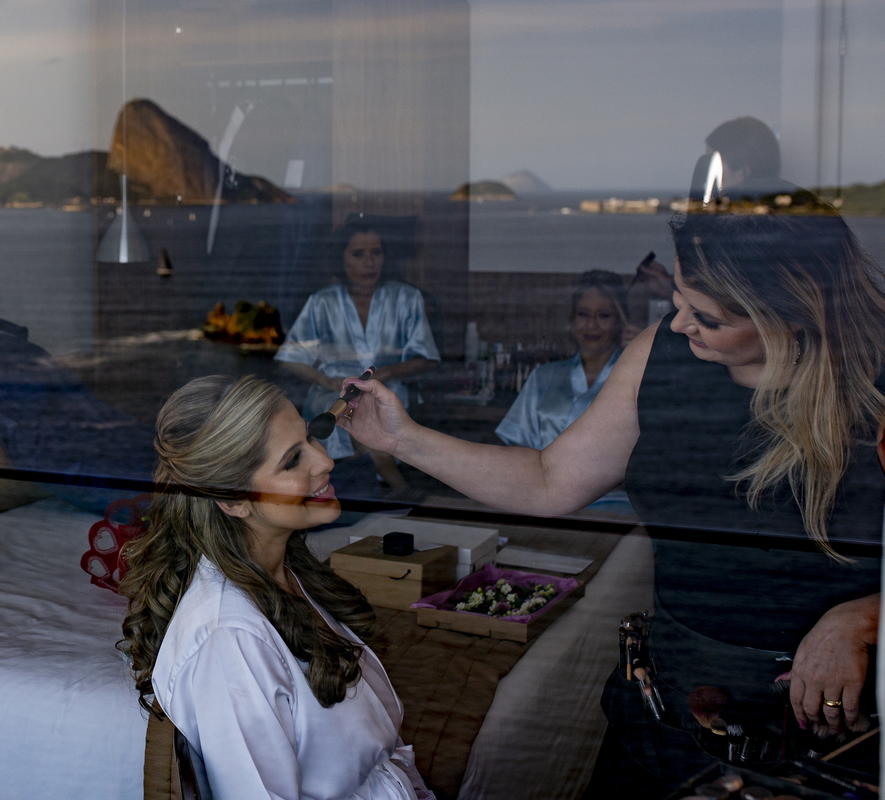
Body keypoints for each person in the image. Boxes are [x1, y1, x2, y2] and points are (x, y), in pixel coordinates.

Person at [336, 212, 885, 793]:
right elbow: (549, 480)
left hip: (826, 723)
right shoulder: (661, 353)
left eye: (708, 318)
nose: (678, 325)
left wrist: (864, 615)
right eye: (676, 299)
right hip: (673, 697)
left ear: (791, 317)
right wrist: (403, 439)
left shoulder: (874, 384)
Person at [120, 375, 433, 800]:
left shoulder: (284, 573)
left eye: (310, 439)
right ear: (232, 501)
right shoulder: (229, 642)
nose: (325, 463)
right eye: (291, 462)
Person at [275, 218, 439, 491]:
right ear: (341, 258)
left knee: (364, 408)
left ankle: (368, 488)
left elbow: (427, 358)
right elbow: (290, 356)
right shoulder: (321, 301)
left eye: (376, 253)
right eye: (358, 254)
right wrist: (327, 381)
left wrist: (386, 373)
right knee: (343, 408)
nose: (369, 262)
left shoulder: (406, 298)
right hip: (332, 394)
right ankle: (393, 484)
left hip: (387, 393)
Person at [496, 270, 634, 514]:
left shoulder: (635, 378)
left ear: (620, 320)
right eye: (583, 314)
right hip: (542, 505)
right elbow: (519, 451)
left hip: (614, 509)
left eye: (604, 315)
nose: (592, 325)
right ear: (572, 319)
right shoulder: (545, 377)